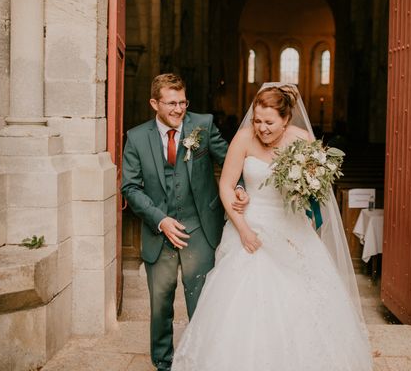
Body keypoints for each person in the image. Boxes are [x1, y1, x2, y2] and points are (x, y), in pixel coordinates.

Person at [172, 83, 373, 371]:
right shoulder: (242, 139)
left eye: (269, 122)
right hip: (249, 226)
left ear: (286, 120)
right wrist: (243, 229)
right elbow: (227, 186)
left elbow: (315, 191)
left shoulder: (302, 140)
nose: (262, 128)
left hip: (290, 230)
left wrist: (305, 188)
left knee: (302, 303)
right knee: (242, 302)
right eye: (257, 120)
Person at [121, 73, 249, 371]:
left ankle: (203, 360)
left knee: (202, 302)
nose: (179, 109)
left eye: (182, 102)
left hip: (200, 228)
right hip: (159, 230)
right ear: (155, 103)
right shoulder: (136, 137)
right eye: (171, 103)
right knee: (161, 305)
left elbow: (231, 161)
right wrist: (160, 220)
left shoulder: (201, 126)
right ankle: (163, 363)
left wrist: (239, 187)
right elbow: (130, 187)